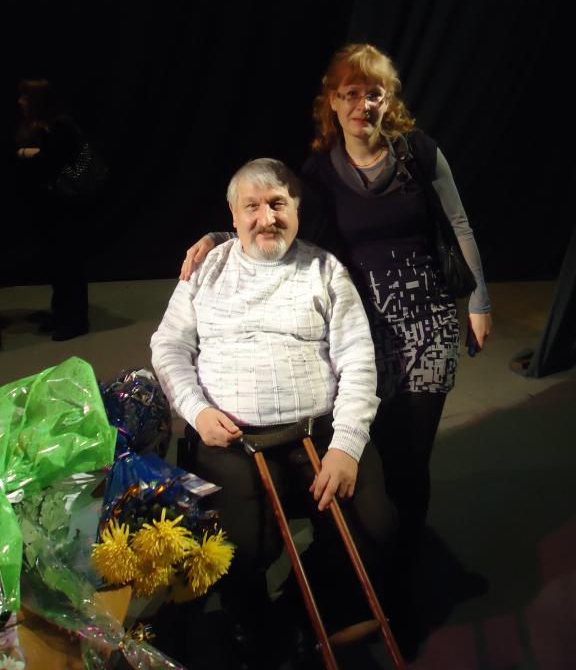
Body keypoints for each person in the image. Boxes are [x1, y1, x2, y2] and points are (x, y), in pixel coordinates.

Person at [180, 45, 492, 626]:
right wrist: (218, 238)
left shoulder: (418, 152)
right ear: (333, 101)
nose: (361, 104)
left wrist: (479, 300)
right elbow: (275, 216)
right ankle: (344, 569)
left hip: (424, 324)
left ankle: (395, 581)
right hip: (360, 321)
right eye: (350, 93)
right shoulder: (320, 170)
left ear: (387, 100)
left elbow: (458, 224)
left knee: (409, 462)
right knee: (371, 453)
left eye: (373, 93)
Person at [151, 158, 397, 666]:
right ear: (233, 214)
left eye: (278, 204)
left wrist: (347, 446)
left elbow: (358, 359)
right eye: (253, 207)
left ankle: (299, 614)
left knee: (375, 528)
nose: (267, 218)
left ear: (297, 210)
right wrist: (196, 410)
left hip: (317, 432)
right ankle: (251, 617)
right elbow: (169, 346)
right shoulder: (206, 270)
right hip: (230, 438)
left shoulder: (327, 270)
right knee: (243, 547)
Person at [16, 79, 89, 341]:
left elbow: (49, 162)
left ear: (37, 101)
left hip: (65, 210)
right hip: (47, 210)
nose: (20, 102)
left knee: (69, 265)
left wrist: (24, 153)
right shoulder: (38, 128)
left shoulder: (60, 127)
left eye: (25, 97)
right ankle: (61, 312)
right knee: (56, 265)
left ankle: (77, 320)